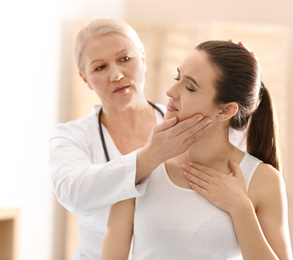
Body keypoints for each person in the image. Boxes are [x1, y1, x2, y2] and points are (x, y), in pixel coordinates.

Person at [101, 40, 293, 259]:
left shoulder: (262, 180)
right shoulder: (139, 167)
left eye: (190, 87)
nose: (171, 91)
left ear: (226, 110)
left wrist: (240, 209)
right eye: (177, 78)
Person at [49, 18, 212, 259]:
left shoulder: (183, 123)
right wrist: (150, 156)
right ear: (85, 79)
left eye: (125, 59)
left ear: (143, 59)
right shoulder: (72, 135)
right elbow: (73, 193)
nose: (116, 75)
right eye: (99, 67)